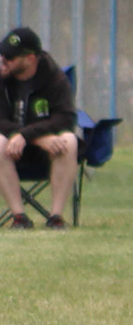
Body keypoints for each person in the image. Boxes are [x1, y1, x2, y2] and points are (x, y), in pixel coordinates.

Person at [0, 27, 79, 230]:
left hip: (47, 150)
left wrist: (27, 136)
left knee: (69, 141)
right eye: (2, 54)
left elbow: (66, 117)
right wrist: (30, 137)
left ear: (30, 59)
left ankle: (56, 217)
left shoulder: (54, 77)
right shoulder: (2, 77)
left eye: (10, 57)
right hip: (12, 148)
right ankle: (19, 217)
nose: (3, 60)